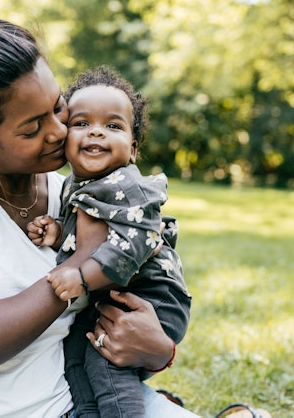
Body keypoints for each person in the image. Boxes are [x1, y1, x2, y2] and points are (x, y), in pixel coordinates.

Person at [0, 0, 200, 417]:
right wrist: (79, 268)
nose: (59, 131)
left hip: (89, 402)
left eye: (57, 107)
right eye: (33, 128)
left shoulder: (69, 190)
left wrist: (159, 351)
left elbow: (132, 298)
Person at [27, 66, 191, 417]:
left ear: (132, 150)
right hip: (109, 298)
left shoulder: (131, 188)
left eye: (112, 126)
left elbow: (138, 241)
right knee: (74, 356)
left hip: (152, 298)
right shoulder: (74, 184)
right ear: (63, 137)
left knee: (106, 366)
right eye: (82, 123)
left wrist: (83, 277)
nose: (96, 132)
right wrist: (58, 233)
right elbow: (87, 234)